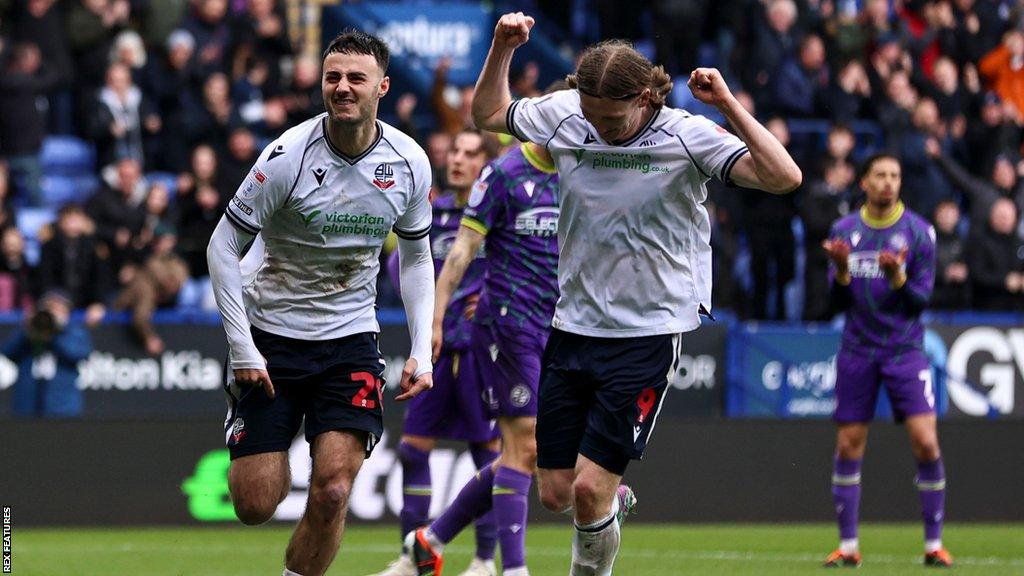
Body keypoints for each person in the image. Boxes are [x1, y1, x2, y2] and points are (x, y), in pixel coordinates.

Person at [410, 12, 802, 576]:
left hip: (646, 333)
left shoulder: (685, 135)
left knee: (589, 492)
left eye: (612, 118)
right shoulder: (569, 116)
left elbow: (784, 177)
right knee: (555, 493)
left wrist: (728, 106)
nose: (599, 128)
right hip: (571, 327)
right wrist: (501, 48)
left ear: (645, 97)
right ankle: (611, 502)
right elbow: (489, 114)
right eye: (590, 114)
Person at [206, 29, 435, 576]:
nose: (342, 87)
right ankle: (264, 431)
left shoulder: (409, 162)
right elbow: (222, 245)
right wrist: (242, 349)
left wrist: (421, 348)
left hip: (350, 338)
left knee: (333, 490)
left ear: (382, 86)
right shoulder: (287, 156)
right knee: (255, 503)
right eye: (333, 77)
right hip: (270, 337)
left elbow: (419, 259)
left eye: (356, 78)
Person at [406, 86, 567, 576]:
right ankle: (510, 569)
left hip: (561, 325)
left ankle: (430, 539)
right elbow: (459, 254)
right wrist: (434, 320)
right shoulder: (503, 174)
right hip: (507, 324)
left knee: (534, 450)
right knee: (525, 448)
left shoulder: (579, 173)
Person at [370, 129, 501, 576]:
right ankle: (414, 557)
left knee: (487, 453)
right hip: (434, 350)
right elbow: (398, 262)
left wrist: (486, 295)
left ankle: (485, 561)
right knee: (412, 448)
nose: (457, 160)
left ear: (486, 163)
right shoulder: (434, 213)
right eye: (454, 152)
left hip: (479, 350)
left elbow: (521, 263)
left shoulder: (496, 213)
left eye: (469, 153)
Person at [821, 154, 952, 567]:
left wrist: (897, 277)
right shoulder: (845, 231)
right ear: (864, 182)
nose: (888, 182)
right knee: (848, 444)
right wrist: (842, 271)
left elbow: (920, 302)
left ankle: (934, 545)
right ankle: (849, 546)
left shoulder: (919, 232)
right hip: (858, 349)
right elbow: (832, 304)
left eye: (895, 175)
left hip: (905, 350)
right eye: (880, 175)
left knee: (927, 443)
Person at [4, 289, 92, 418]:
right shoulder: (29, 331)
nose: (53, 312)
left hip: (62, 405)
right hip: (28, 405)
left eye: (58, 308)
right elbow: (8, 352)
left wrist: (55, 334)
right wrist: (28, 329)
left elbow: (79, 354)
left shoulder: (75, 332)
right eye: (49, 307)